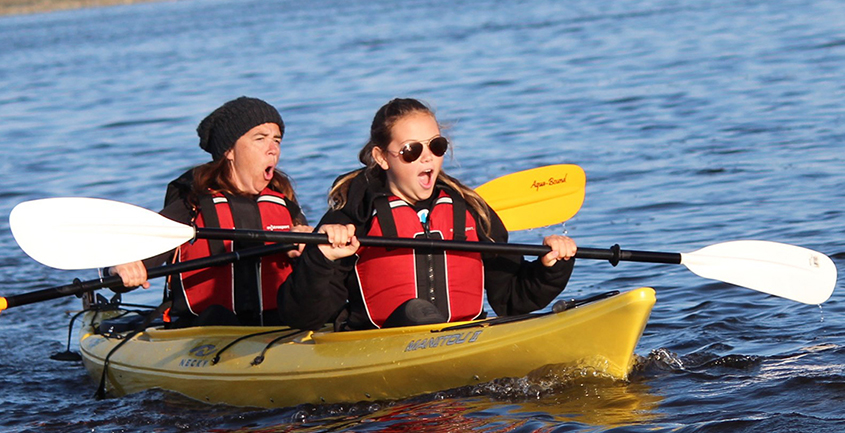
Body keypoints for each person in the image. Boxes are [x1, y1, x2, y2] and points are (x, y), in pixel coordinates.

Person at [277, 98, 577, 331]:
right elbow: (305, 317)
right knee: (414, 313)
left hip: (463, 337)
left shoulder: (471, 212)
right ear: (382, 157)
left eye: (436, 145)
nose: (427, 156)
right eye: (410, 150)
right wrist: (319, 259)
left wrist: (551, 267)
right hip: (379, 341)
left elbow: (513, 300)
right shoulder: (352, 216)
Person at [109, 97, 310, 327]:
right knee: (218, 315)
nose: (273, 149)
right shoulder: (192, 205)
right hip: (205, 329)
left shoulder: (283, 202)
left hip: (275, 325)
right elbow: (135, 262)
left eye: (277, 140)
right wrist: (120, 268)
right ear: (229, 151)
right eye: (260, 139)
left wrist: (310, 250)